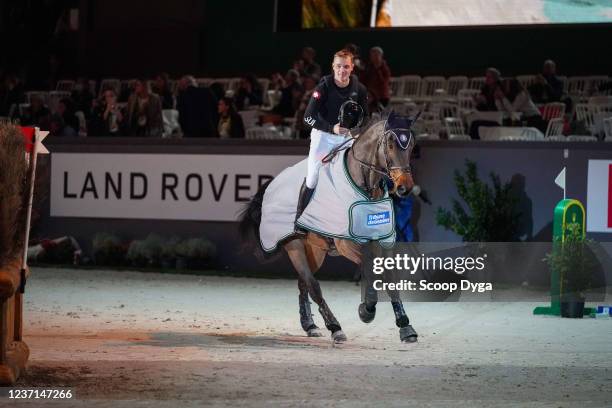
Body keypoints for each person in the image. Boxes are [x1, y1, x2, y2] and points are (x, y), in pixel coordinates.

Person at [297, 49, 368, 225]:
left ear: (352, 68)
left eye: (346, 67)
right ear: (333, 67)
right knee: (312, 179)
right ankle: (299, 221)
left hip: (347, 138)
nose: (342, 71)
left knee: (356, 176)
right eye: (338, 66)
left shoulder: (359, 89)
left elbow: (366, 116)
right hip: (323, 136)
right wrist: (331, 128)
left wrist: (357, 130)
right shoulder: (324, 87)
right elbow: (307, 117)